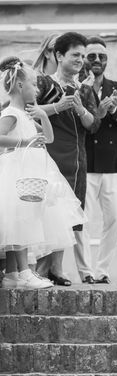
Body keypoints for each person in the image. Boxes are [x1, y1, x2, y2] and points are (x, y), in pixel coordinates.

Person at [0, 57, 84, 289]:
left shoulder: (25, 114)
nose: (37, 89)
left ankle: (12, 274)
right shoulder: (11, 114)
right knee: (20, 222)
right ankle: (24, 271)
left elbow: (48, 138)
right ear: (19, 86)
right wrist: (23, 141)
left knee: (25, 221)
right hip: (15, 175)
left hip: (30, 174)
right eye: (33, 85)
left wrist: (44, 115)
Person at [34, 32, 108, 286]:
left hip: (77, 160)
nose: (80, 60)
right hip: (49, 157)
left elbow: (94, 124)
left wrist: (78, 107)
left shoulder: (85, 90)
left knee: (69, 214)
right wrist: (58, 107)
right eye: (75, 55)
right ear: (59, 55)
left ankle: (57, 268)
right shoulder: (44, 84)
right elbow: (28, 110)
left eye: (82, 56)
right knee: (47, 211)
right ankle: (39, 269)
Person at [74, 37, 117, 284]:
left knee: (115, 218)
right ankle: (86, 272)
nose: (97, 61)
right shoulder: (77, 87)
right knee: (82, 219)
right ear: (84, 60)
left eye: (102, 57)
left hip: (112, 163)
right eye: (92, 56)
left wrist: (113, 111)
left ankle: (102, 271)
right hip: (85, 160)